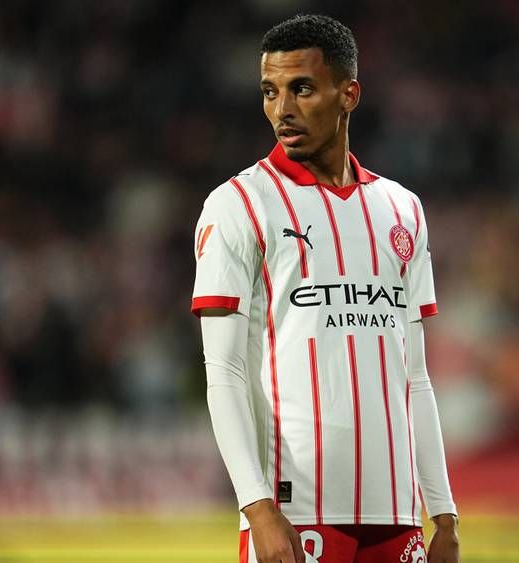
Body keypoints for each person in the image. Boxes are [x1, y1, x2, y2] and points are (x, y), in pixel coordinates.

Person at [190, 14, 460, 563]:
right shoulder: (238, 205)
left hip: (396, 514)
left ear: (349, 94)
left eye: (302, 89)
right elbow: (224, 374)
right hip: (297, 511)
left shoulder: (402, 210)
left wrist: (444, 513)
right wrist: (257, 508)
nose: (282, 109)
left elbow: (415, 377)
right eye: (270, 92)